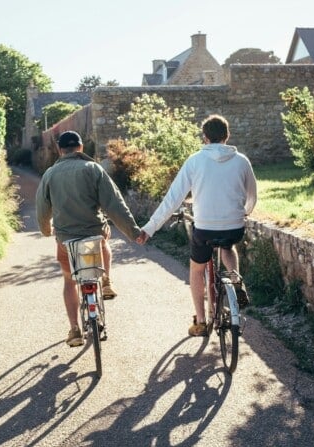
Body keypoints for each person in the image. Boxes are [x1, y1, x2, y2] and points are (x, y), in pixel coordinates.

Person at [137, 114, 257, 336]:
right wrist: (244, 213)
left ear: (205, 138)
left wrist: (149, 228)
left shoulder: (194, 161)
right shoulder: (242, 161)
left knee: (197, 268)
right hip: (234, 226)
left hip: (205, 228)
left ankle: (201, 322)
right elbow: (251, 196)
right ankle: (235, 280)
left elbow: (173, 199)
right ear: (227, 136)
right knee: (228, 247)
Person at [36, 130, 142, 347]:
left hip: (66, 240)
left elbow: (42, 209)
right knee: (104, 236)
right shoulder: (93, 169)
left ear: (59, 149)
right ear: (81, 148)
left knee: (69, 281)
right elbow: (114, 204)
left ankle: (75, 330)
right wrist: (133, 232)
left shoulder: (50, 174)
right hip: (94, 235)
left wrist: (47, 230)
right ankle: (105, 281)